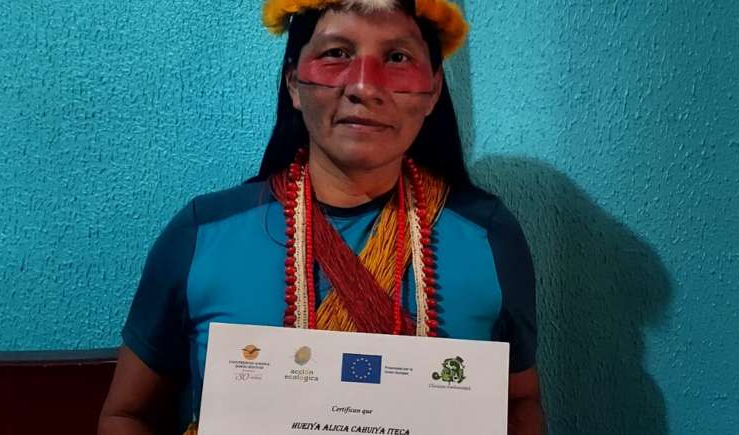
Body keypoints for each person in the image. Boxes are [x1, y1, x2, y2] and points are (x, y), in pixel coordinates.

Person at [98, 0, 543, 434]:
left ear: (433, 89)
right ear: (294, 82)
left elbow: (519, 403)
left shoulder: (489, 237)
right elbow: (127, 416)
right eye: (336, 53)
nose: (364, 86)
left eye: (397, 57)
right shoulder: (203, 235)